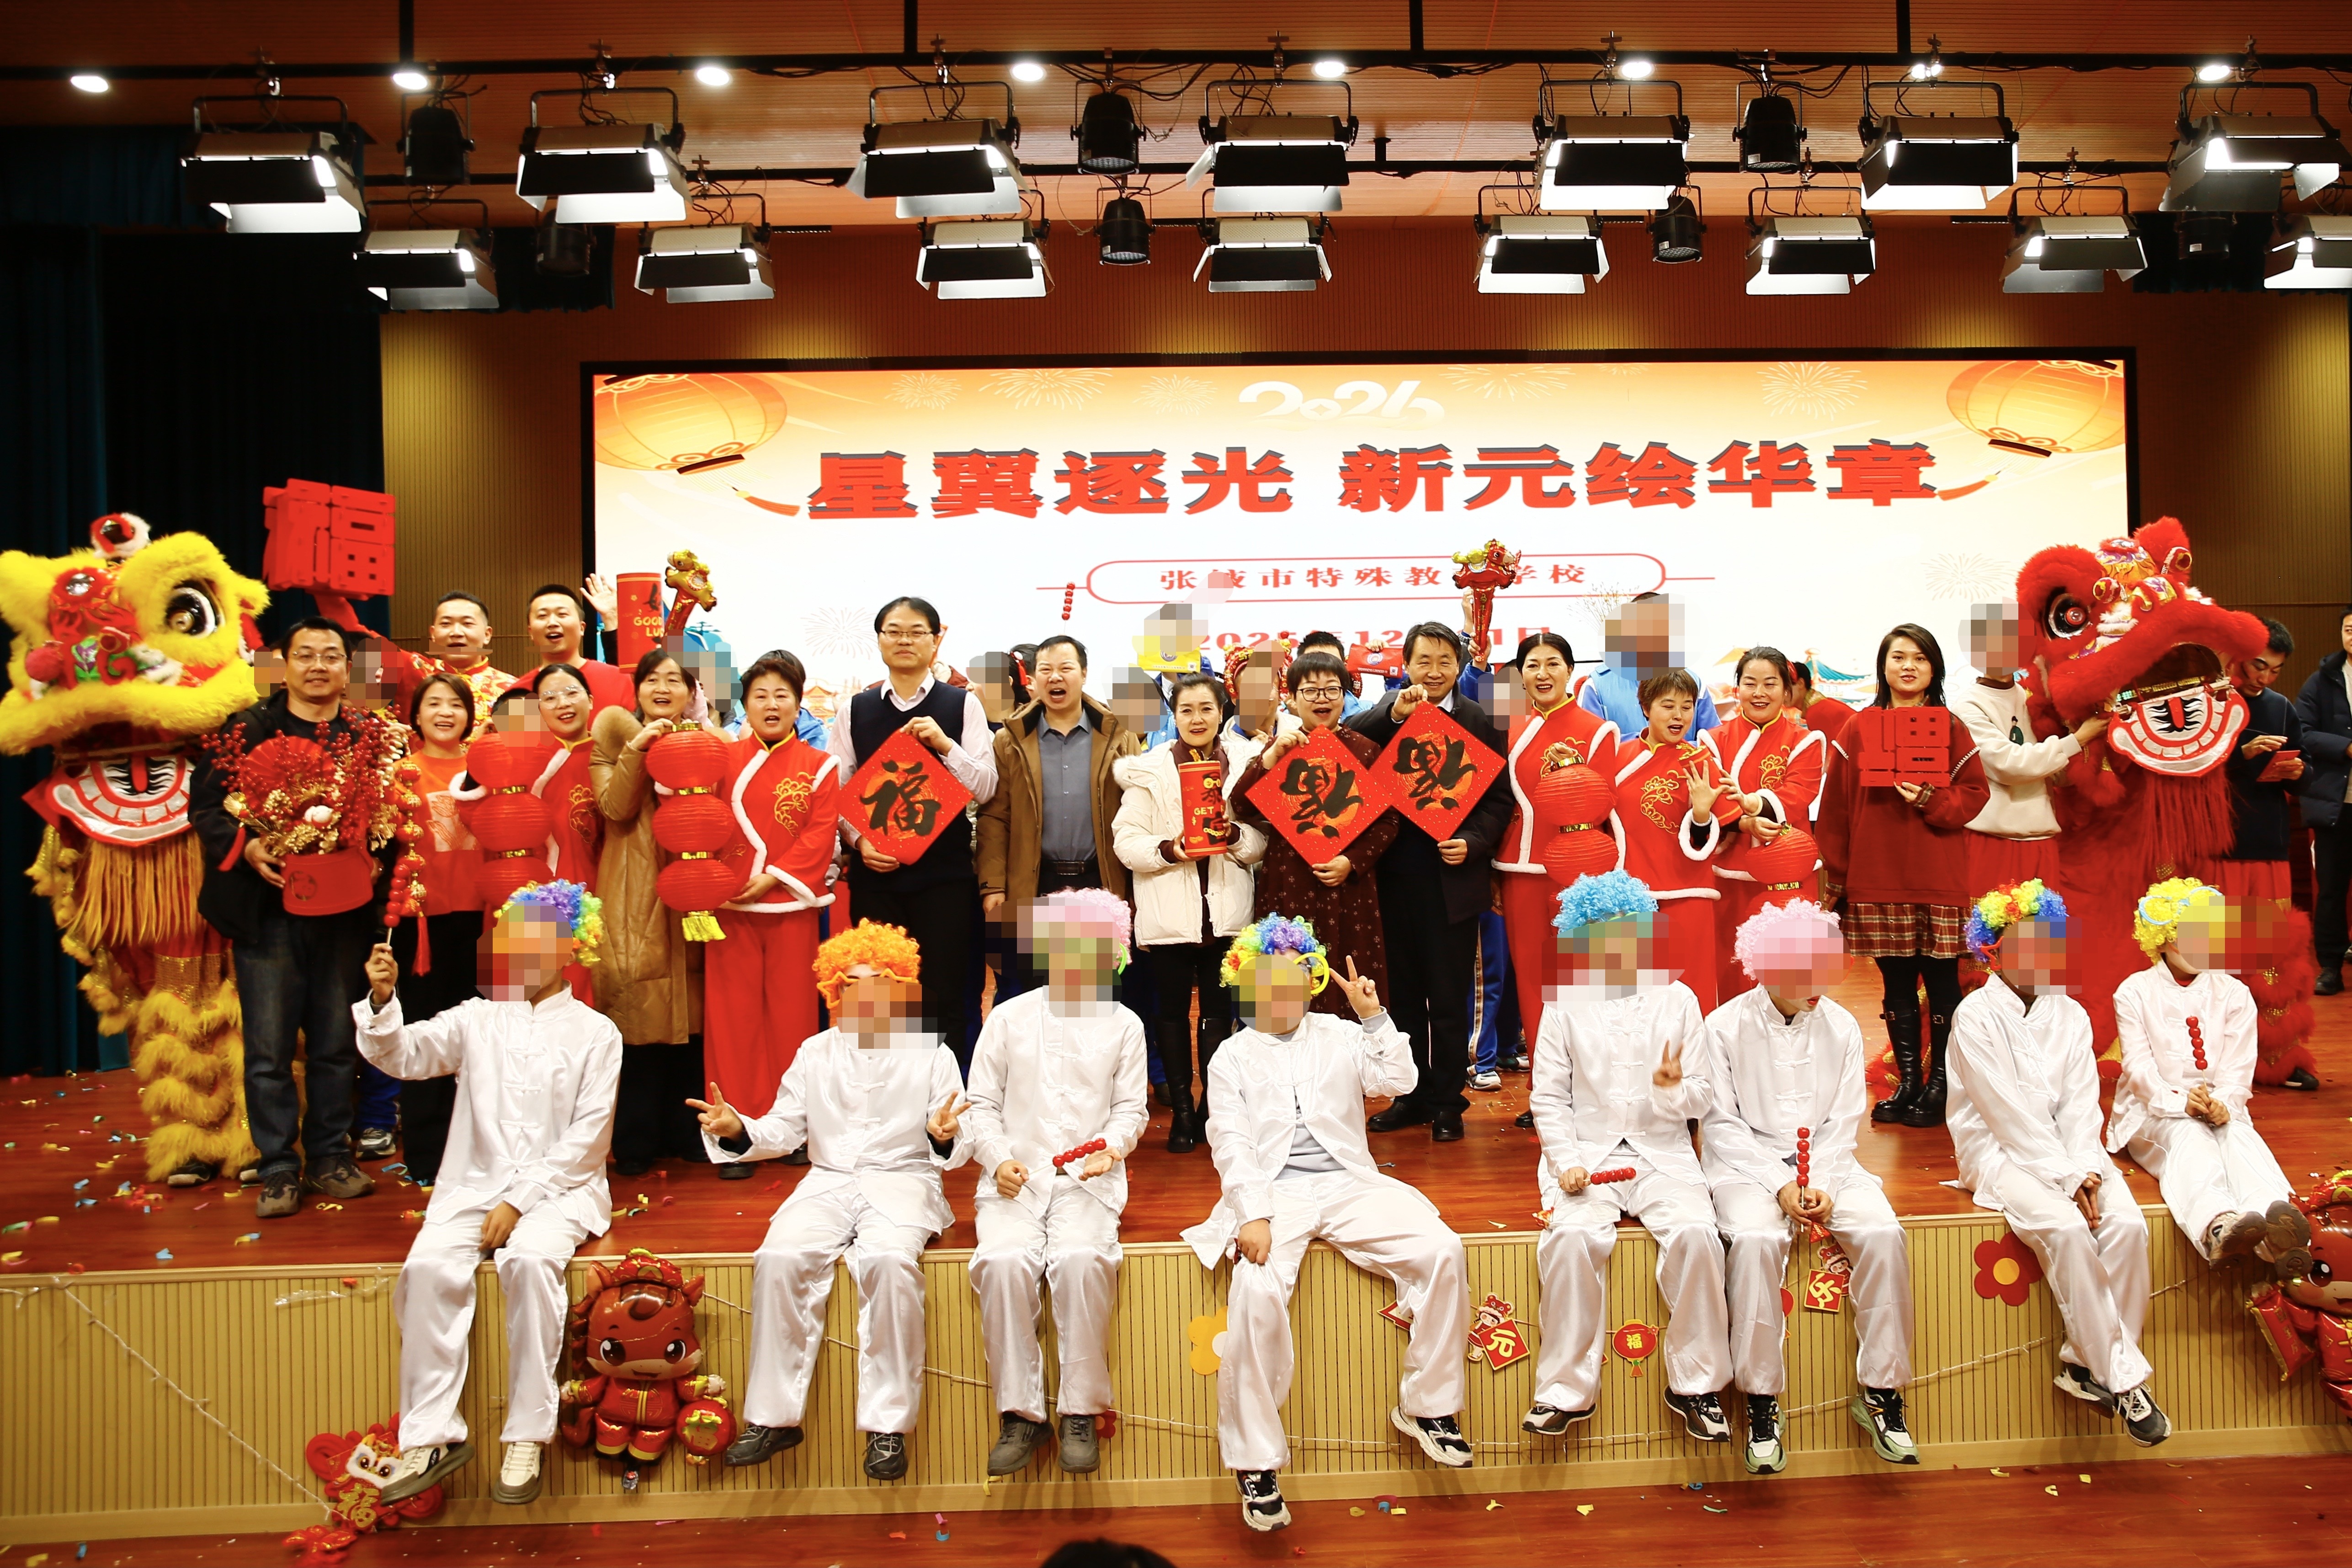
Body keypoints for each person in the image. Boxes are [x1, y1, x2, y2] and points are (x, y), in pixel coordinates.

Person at [1183, 916, 1473, 1533]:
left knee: (1442, 1248)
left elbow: (1400, 1081)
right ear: (1246, 985)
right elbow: (1230, 1141)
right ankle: (1255, 1461)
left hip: (1348, 1182)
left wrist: (1374, 1017)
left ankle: (1428, 1405)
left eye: (1295, 979)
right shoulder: (1231, 1055)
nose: (1282, 993)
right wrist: (1252, 1213)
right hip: (1272, 1193)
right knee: (1254, 1288)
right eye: (1268, 982)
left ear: (1311, 981)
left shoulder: (1340, 1033)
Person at [362, 881, 622, 1509]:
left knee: (530, 1262)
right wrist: (383, 999)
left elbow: (589, 1137)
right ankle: (429, 1437)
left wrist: (521, 1200)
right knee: (428, 1268)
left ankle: (526, 1433)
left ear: (569, 947)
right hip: (473, 1186)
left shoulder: (597, 1032)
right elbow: (404, 1054)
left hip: (561, 1192)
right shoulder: (477, 1017)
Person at [693, 921, 970, 1482]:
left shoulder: (932, 1052)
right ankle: (773, 1417)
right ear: (834, 990)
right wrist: (737, 1127)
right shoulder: (814, 1051)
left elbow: (954, 1138)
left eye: (875, 981)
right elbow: (782, 1127)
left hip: (902, 1180)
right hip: (826, 1182)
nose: (861, 993)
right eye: (849, 983)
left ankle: (888, 1426)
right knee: (779, 1257)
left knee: (889, 1262)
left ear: (899, 987)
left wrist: (943, 1133)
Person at [1946, 879, 2170, 1445]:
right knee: (2066, 1228)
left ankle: (2082, 1365)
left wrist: (2086, 1167)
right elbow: (2005, 1115)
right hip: (1997, 1153)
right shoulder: (1974, 1016)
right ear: (1992, 951)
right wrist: (2068, 1177)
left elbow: (2079, 1105)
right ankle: (2124, 1380)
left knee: (2127, 1224)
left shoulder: (2070, 1013)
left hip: (2074, 1152)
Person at [1702, 900, 1916, 1474]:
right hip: (1745, 1168)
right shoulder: (1722, 1026)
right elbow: (1721, 1125)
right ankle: (1760, 1398)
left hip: (1829, 1163)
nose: (1817, 985)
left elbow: (1843, 1121)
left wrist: (1819, 1181)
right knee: (1754, 1240)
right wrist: (1779, 1184)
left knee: (1882, 1231)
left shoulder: (1842, 1025)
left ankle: (1882, 1390)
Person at [1524, 872, 1733, 1446]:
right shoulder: (1562, 1002)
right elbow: (1549, 1096)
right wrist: (1564, 1159)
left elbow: (1702, 1097)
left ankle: (1697, 1385)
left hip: (1664, 1154)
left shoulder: (1679, 999)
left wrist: (1671, 1088)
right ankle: (1563, 1391)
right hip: (1587, 1158)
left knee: (1696, 1234)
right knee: (1572, 1236)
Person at [188, 617, 386, 1217]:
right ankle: (278, 1164)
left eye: (331, 655)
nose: (318, 665)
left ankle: (329, 1156)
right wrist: (248, 846)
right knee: (269, 1048)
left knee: (335, 1042)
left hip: (343, 914)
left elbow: (391, 811)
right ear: (283, 664)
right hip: (268, 912)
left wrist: (377, 851)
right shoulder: (246, 730)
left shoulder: (366, 735)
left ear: (348, 668)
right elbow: (206, 808)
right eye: (306, 655)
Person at [964, 891, 1149, 1476]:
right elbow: (979, 1103)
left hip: (1087, 1183)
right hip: (1014, 1182)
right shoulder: (1008, 1017)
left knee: (1081, 1259)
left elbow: (1131, 1109)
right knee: (1001, 1262)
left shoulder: (1125, 1023)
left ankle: (1080, 1409)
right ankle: (1020, 1413)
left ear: (1111, 952)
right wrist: (997, 1158)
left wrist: (1112, 1148)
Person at [1816, 623, 1990, 1128]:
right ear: (1884, 666)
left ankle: (1942, 1085)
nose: (1908, 666)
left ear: (1934, 668)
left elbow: (1975, 794)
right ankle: (1910, 1081)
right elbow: (1835, 808)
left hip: (1937, 875)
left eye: (1919, 657)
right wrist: (1840, 878)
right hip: (1876, 876)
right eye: (1898, 657)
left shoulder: (1951, 726)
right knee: (1895, 983)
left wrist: (1933, 799)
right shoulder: (1857, 728)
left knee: (1942, 983)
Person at [1346, 622, 1511, 1143]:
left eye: (1445, 661)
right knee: (1403, 995)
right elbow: (1349, 739)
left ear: (1459, 665)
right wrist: (1396, 713)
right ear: (1406, 664)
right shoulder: (1387, 711)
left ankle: (1447, 1101)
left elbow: (1498, 799)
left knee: (1447, 996)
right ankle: (1411, 1096)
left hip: (1451, 879)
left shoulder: (1478, 719)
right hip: (1393, 879)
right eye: (1424, 661)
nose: (1435, 671)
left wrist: (1473, 841)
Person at [828, 596, 999, 1057]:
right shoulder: (855, 709)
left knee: (945, 995)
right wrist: (859, 841)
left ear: (935, 640)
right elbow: (835, 793)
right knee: (878, 996)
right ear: (880, 639)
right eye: (895, 631)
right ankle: (882, 1092)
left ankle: (948, 1095)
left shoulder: (962, 705)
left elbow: (986, 787)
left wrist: (946, 746)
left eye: (917, 632)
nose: (905, 640)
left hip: (945, 879)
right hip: (876, 880)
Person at [1112, 670, 1269, 1151]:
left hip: (1227, 912)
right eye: (1186, 710)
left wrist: (1235, 836)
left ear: (1222, 712)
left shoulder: (1246, 765)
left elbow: (1263, 842)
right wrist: (1170, 849)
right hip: (1168, 913)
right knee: (1171, 1014)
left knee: (1219, 1015)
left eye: (1206, 708)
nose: (1196, 718)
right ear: (1173, 715)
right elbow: (1126, 842)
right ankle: (1182, 1111)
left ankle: (1211, 1110)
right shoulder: (1148, 770)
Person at [2110, 879, 2304, 1265]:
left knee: (2238, 1137)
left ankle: (2277, 1226)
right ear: (2162, 939)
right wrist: (2181, 1103)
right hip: (2153, 1111)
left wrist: (2224, 1103)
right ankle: (2216, 1224)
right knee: (2189, 1137)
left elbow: (2238, 1067)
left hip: (2220, 1106)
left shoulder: (2234, 993)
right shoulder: (2133, 992)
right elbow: (2138, 1068)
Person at [704, 651, 843, 1180]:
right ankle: (734, 1133)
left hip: (791, 907)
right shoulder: (719, 760)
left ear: (798, 703)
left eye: (781, 695)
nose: (771, 704)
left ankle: (789, 1130)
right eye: (760, 695)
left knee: (793, 1018)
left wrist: (775, 876)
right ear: (745, 703)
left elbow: (820, 832)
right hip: (730, 906)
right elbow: (697, 820)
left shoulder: (820, 765)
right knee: (731, 1021)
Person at [590, 647, 714, 1174]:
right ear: (636, 689)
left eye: (675, 680)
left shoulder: (707, 741)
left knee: (692, 1013)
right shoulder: (614, 736)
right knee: (637, 1014)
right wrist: (640, 748)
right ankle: (636, 1139)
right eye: (652, 679)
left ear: (691, 692)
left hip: (694, 891)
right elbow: (615, 807)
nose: (663, 688)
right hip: (634, 890)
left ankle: (687, 1132)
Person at [1231, 650, 1400, 1019]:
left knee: (1351, 979)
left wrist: (1351, 862)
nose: (1321, 698)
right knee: (1286, 981)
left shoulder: (1366, 750)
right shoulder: (1280, 748)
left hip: (1350, 889)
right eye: (1310, 690)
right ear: (1291, 698)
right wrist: (1271, 757)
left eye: (1331, 689)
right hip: (1289, 880)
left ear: (1345, 695)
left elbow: (1389, 822)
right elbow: (1241, 807)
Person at [978, 634, 1142, 1000]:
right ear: (1033, 679)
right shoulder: (1010, 740)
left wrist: (1134, 889)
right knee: (1033, 993)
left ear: (1084, 674)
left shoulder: (1120, 735)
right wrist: (994, 885)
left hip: (1101, 881)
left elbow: (1138, 811)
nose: (1055, 677)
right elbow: (995, 818)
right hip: (1035, 881)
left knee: (1099, 994)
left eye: (1066, 668)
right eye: (1045, 670)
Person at [1491, 633, 1621, 1056]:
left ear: (1570, 670)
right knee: (1532, 977)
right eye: (1532, 665)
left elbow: (1607, 805)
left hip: (1581, 874)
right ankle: (1543, 1077)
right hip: (1519, 870)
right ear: (1521, 675)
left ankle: (1590, 1074)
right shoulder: (1507, 728)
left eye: (1553, 663)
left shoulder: (1598, 731)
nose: (1543, 673)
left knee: (1586, 975)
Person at [383, 671, 486, 1184]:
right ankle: (427, 1153)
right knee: (425, 1034)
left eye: (456, 704)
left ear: (470, 715)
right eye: (434, 703)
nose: (445, 712)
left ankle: (483, 1151)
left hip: (483, 920)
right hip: (422, 925)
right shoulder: (398, 774)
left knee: (483, 1040)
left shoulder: (489, 768)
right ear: (416, 715)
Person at [1611, 668, 1744, 1012]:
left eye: (1687, 707)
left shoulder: (1701, 761)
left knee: (1693, 993)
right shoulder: (1617, 757)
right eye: (1668, 706)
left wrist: (1702, 814)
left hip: (1689, 895)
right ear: (1646, 707)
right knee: (1632, 1000)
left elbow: (1722, 835)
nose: (1679, 716)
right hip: (1627, 896)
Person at [1950, 602, 2106, 894]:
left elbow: (2058, 776)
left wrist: (2085, 740)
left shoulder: (2031, 696)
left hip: (2042, 838)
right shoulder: (1967, 705)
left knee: (2044, 923)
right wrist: (2078, 740)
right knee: (1993, 921)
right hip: (1992, 839)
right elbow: (2008, 765)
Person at [1703, 648, 1827, 1004]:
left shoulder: (1806, 741)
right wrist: (1744, 822)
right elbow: (1712, 795)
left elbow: (1799, 792)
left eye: (1770, 684)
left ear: (1787, 691)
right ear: (1737, 689)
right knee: (1732, 964)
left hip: (1790, 872)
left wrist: (1751, 802)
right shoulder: (1713, 740)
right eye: (1750, 683)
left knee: (1793, 967)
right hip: (1730, 872)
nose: (1759, 693)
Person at [2295, 605, 2352, 994]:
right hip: (2336, 805)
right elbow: (2302, 730)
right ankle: (2330, 966)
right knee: (2331, 889)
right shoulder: (2321, 680)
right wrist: (2346, 747)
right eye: (2349, 629)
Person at [1578, 593, 1719, 737]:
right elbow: (1588, 742)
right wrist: (1644, 744)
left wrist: (1676, 748)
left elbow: (1714, 741)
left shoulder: (1694, 682)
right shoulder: (1597, 685)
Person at [516, 583, 636, 712]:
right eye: (543, 616)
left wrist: (611, 619)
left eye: (562, 614)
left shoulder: (621, 681)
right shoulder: (517, 695)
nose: (552, 623)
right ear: (531, 632)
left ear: (582, 628)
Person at [1295, 630, 1372, 719]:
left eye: (1332, 663)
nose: (1323, 672)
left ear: (1345, 668)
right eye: (1314, 663)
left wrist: (1385, 660)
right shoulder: (1284, 717)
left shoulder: (1369, 713)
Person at [1788, 659, 1854, 751]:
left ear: (1801, 684)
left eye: (1786, 687)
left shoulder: (1817, 712)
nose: (1782, 693)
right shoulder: (1821, 705)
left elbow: (1828, 755)